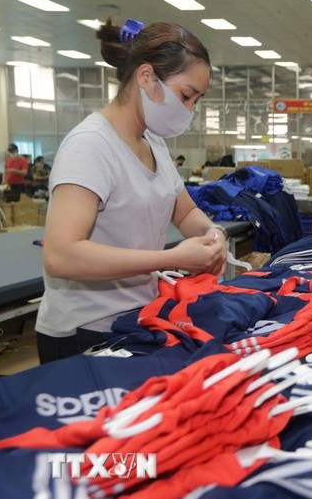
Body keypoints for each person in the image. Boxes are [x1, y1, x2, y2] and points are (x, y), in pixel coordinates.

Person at [37, 18, 227, 364]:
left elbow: (183, 211)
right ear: (146, 78)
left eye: (196, 100)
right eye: (186, 96)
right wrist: (173, 258)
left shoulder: (152, 142)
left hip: (137, 318)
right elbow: (61, 255)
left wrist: (213, 233)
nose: (189, 110)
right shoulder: (91, 146)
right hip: (85, 332)